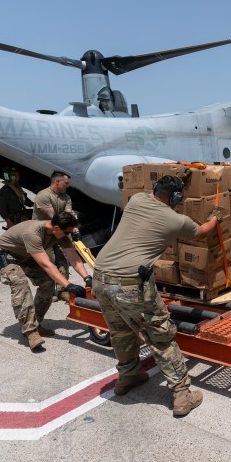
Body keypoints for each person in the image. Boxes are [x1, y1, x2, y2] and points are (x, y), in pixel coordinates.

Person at [92, 175, 220, 417]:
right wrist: (217, 217)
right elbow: (202, 232)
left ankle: (127, 377)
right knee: (160, 336)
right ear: (176, 198)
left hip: (100, 278)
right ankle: (182, 395)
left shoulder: (136, 200)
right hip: (129, 284)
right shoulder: (175, 220)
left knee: (121, 332)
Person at [0, 211, 92, 351]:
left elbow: (72, 256)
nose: (68, 234)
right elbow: (47, 265)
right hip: (6, 254)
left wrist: (87, 278)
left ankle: (36, 323)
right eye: (67, 231)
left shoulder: (60, 232)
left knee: (48, 282)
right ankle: (30, 332)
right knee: (21, 285)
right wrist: (68, 285)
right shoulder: (33, 234)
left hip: (26, 254)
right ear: (56, 227)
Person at [33, 171, 73, 300]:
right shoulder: (43, 196)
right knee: (49, 262)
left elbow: (68, 215)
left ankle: (63, 290)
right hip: (45, 236)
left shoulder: (66, 197)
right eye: (65, 183)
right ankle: (49, 292)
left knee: (63, 260)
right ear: (57, 181)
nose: (67, 186)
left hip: (59, 233)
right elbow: (54, 217)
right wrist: (68, 223)